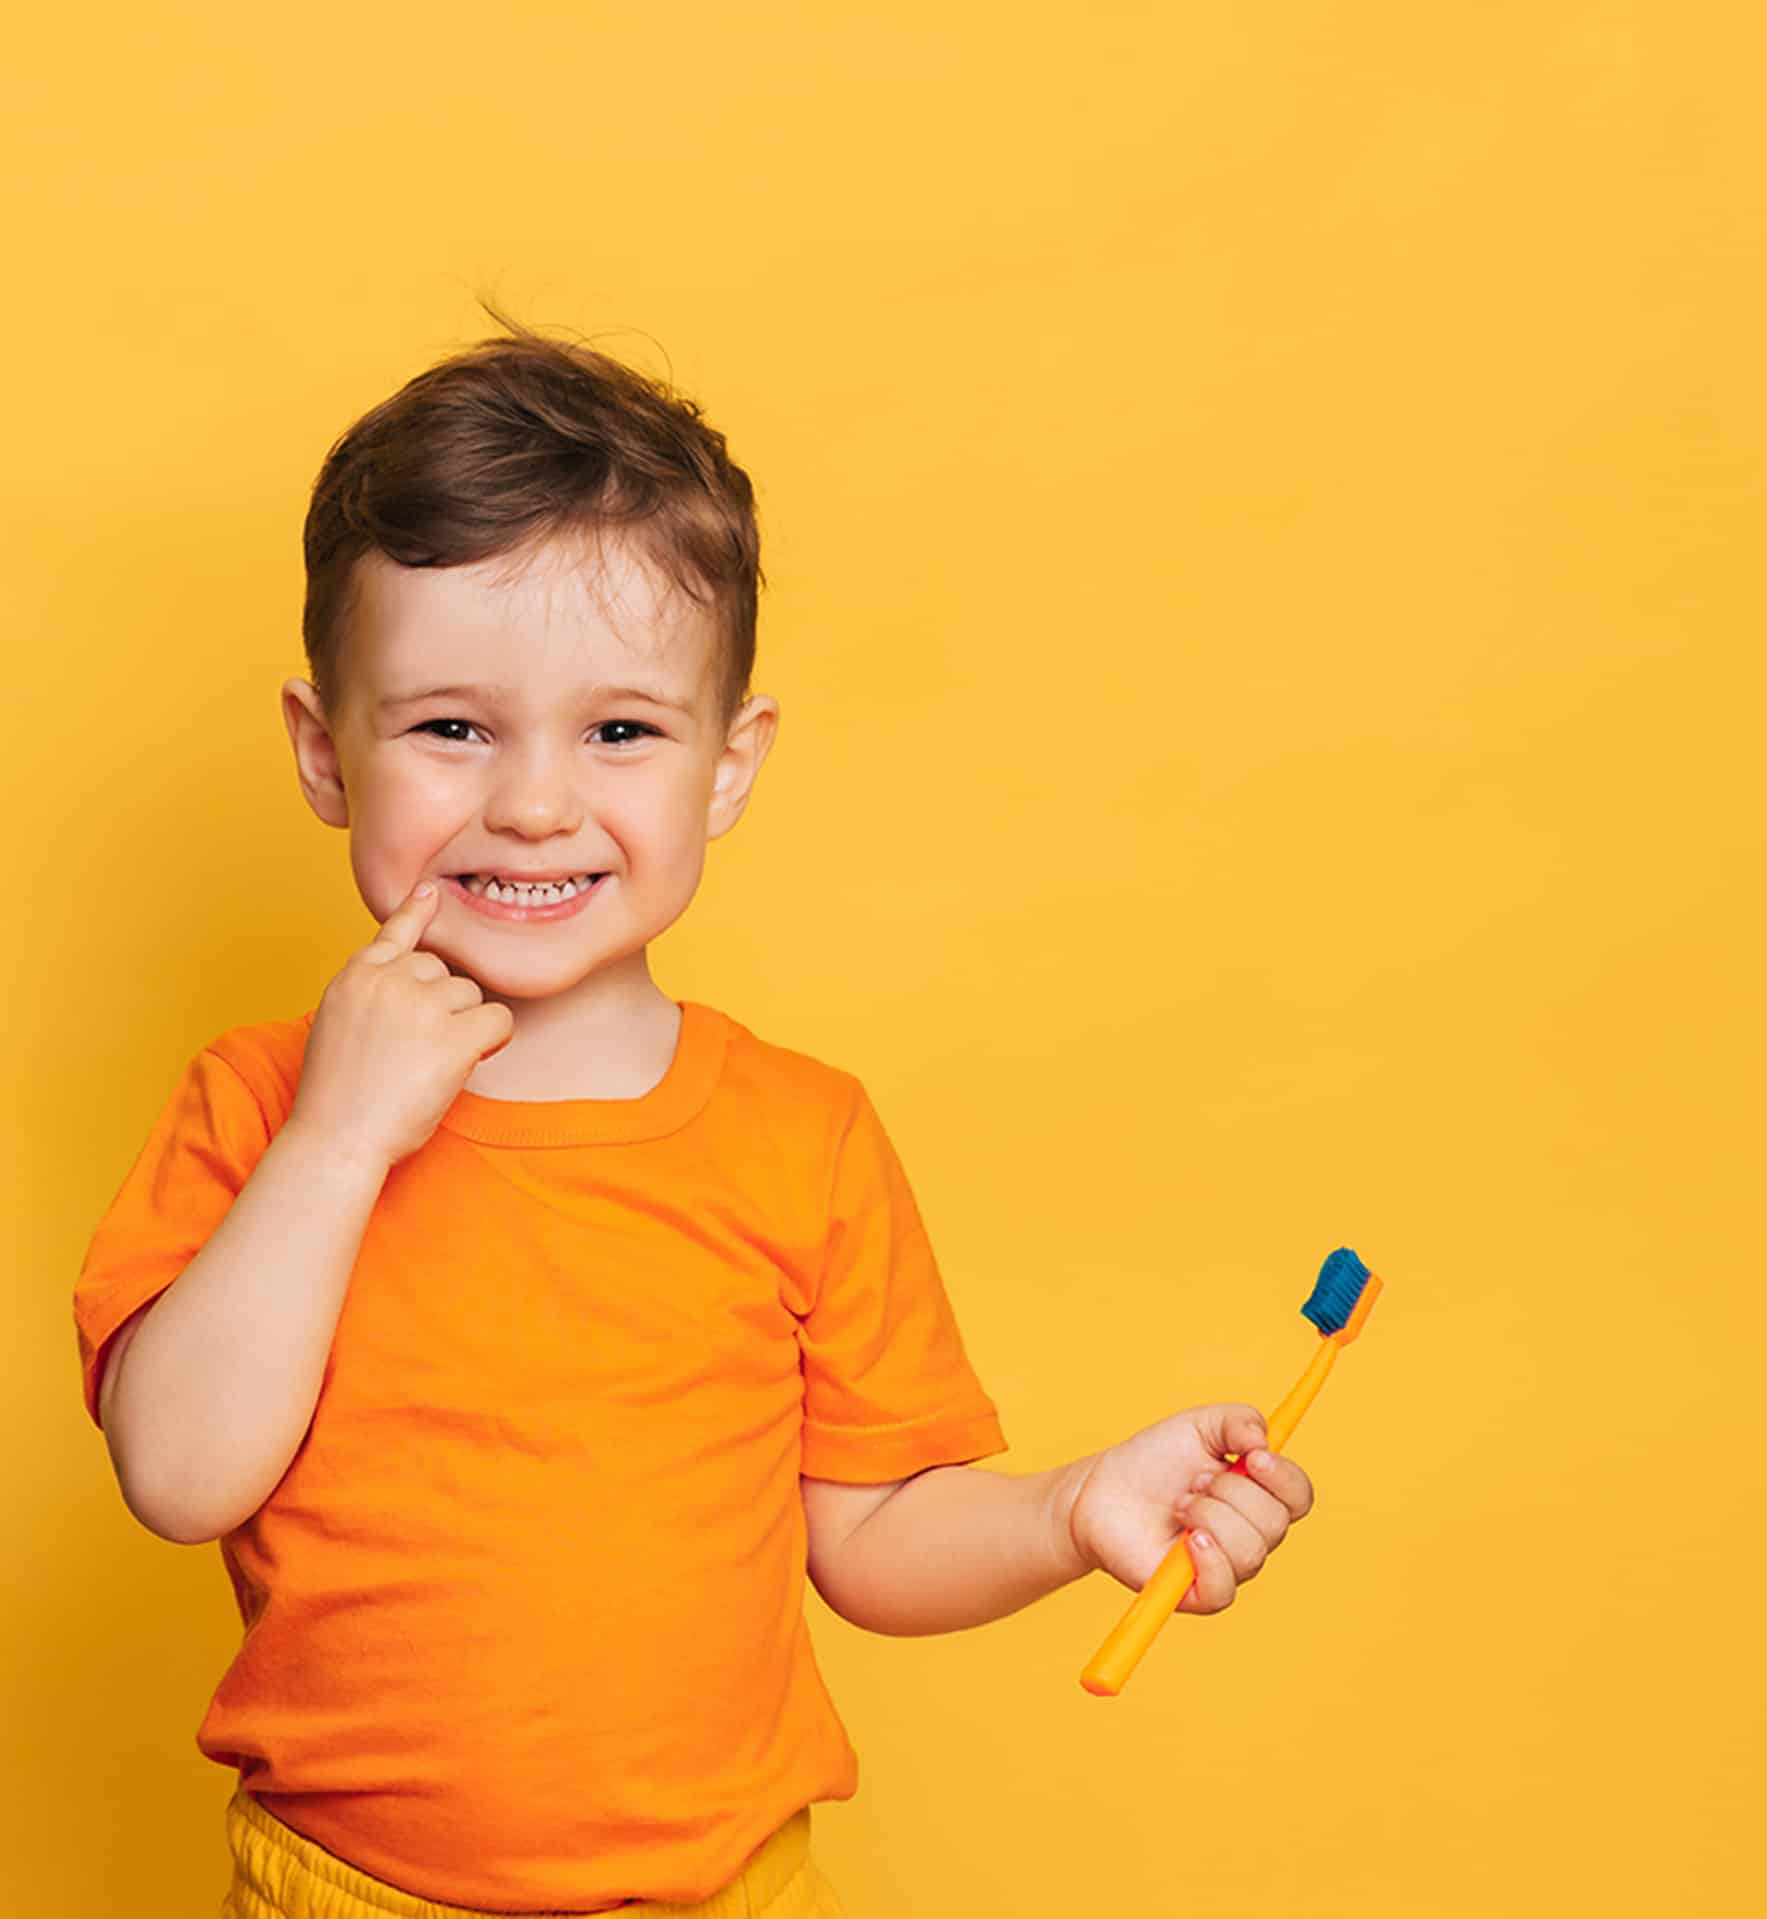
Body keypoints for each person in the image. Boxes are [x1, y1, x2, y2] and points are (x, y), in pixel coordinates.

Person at [72, 303, 1320, 1917]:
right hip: (351, 1895)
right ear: (328, 754)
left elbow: (868, 1540)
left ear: (727, 769)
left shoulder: (799, 1135)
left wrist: (1073, 1512)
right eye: (451, 726)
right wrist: (338, 1140)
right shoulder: (260, 1106)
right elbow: (180, 1474)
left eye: (619, 731)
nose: (531, 801)